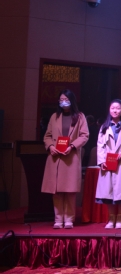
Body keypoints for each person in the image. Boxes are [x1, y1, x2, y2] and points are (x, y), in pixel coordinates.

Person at [41, 89, 89, 229]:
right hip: (55, 157)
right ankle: (58, 219)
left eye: (66, 99)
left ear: (72, 100)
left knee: (69, 190)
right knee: (56, 191)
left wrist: (72, 146)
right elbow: (47, 136)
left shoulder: (80, 116)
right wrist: (50, 146)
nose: (63, 102)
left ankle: (69, 219)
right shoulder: (54, 116)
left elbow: (84, 135)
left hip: (70, 156)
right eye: (61, 100)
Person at [95, 99, 121, 229]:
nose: (115, 110)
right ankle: (111, 218)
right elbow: (100, 145)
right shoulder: (104, 126)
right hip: (108, 163)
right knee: (108, 192)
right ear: (109, 109)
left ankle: (120, 219)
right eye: (113, 108)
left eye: (118, 108)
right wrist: (101, 161)